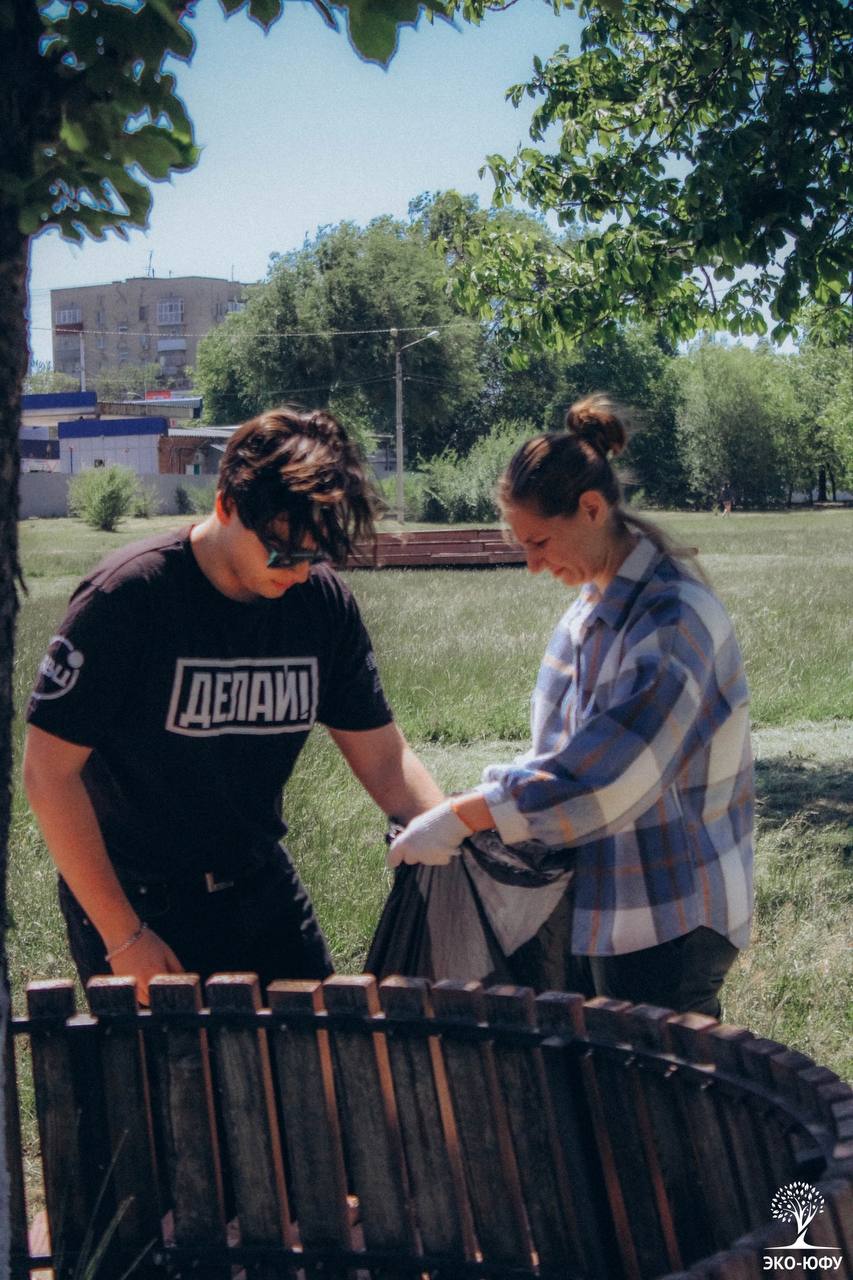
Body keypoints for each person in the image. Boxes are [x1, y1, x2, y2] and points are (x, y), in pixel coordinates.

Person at [24, 407, 444, 1004]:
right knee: (173, 1093)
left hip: (260, 885)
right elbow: (48, 775)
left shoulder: (321, 606)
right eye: (281, 554)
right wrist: (124, 936)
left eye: (313, 555)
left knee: (317, 1072)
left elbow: (383, 757)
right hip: (139, 903)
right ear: (226, 503)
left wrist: (449, 835)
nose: (298, 574)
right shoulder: (127, 599)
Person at [388, 395, 754, 1016]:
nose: (531, 565)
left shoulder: (671, 619)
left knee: (661, 1106)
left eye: (539, 542)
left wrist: (463, 817)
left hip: (668, 916)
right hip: (606, 906)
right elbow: (557, 753)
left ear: (591, 509)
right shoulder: (590, 608)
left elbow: (606, 778)